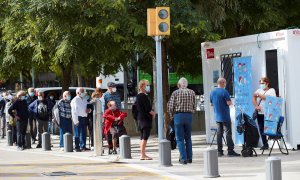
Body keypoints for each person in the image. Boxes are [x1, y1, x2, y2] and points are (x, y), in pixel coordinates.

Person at [168, 78, 196, 164]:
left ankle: (183, 159)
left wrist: (171, 116)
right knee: (188, 138)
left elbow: (170, 107)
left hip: (178, 116)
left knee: (180, 138)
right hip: (189, 116)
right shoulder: (192, 92)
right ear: (186, 84)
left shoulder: (175, 93)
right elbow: (194, 105)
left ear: (179, 85)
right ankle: (189, 157)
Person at [210, 78, 240, 157]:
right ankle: (230, 150)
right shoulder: (224, 91)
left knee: (219, 134)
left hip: (217, 116)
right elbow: (229, 103)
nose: (225, 84)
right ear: (223, 83)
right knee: (228, 133)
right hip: (225, 116)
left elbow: (211, 104)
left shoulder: (212, 92)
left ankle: (219, 151)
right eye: (225, 82)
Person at [252, 77, 276, 150]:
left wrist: (258, 94)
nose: (261, 84)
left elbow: (267, 98)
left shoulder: (271, 90)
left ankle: (272, 142)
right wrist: (256, 106)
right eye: (260, 83)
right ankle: (265, 144)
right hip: (260, 113)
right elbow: (253, 97)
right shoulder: (259, 90)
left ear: (267, 83)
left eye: (262, 83)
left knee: (268, 129)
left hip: (268, 113)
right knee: (261, 129)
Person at [136, 79, 155, 160]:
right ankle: (143, 154)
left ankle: (142, 154)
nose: (148, 87)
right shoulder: (143, 96)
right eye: (147, 85)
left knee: (142, 137)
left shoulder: (138, 96)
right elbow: (148, 108)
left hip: (140, 118)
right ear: (142, 86)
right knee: (145, 137)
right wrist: (153, 113)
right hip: (145, 119)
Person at [71, 87, 91, 152]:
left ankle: (83, 146)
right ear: (78, 93)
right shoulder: (75, 100)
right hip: (78, 117)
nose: (83, 93)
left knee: (83, 133)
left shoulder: (85, 99)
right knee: (77, 133)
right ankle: (77, 147)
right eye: (82, 91)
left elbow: (88, 108)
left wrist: (89, 110)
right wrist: (75, 120)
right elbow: (74, 111)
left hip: (84, 117)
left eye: (83, 91)